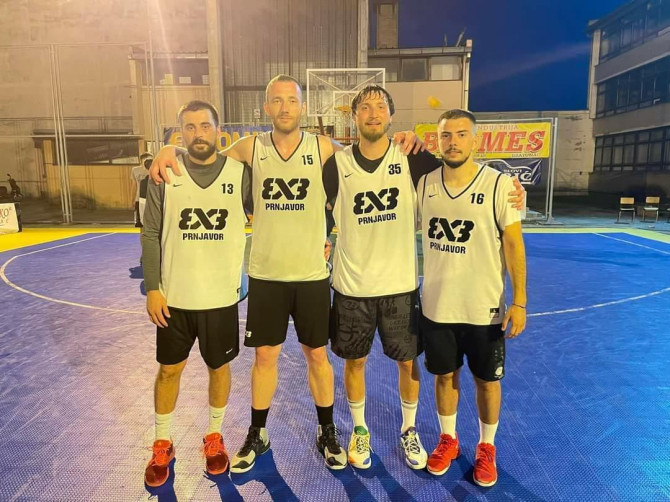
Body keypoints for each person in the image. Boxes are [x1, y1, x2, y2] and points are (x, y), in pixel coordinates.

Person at [149, 74, 423, 472]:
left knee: (317, 356)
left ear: (302, 107)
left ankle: (327, 430)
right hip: (267, 275)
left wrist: (404, 139)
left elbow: (366, 153)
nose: (284, 108)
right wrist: (168, 149)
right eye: (276, 101)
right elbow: (204, 154)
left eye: (291, 101)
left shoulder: (324, 148)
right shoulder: (251, 147)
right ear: (266, 107)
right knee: (265, 357)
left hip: (311, 275)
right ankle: (257, 433)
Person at [323, 86, 525, 471]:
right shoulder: (335, 165)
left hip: (401, 287)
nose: (372, 113)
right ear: (354, 116)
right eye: (364, 107)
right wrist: (320, 237)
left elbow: (459, 173)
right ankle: (361, 431)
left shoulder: (413, 159)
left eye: (380, 106)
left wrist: (513, 192)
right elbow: (314, 206)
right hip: (352, 286)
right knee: (355, 362)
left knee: (408, 364)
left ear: (391, 116)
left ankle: (410, 429)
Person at [141, 100, 250, 487]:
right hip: (174, 298)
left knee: (219, 368)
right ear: (180, 133)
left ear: (219, 131)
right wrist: (152, 288)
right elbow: (150, 233)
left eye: (205, 126)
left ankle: (214, 436)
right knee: (169, 370)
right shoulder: (164, 173)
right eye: (189, 127)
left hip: (220, 297)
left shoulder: (240, 174)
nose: (198, 134)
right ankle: (162, 442)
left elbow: (276, 209)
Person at [417, 109, 527, 487]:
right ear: (437, 141)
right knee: (444, 376)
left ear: (475, 140)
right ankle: (448, 439)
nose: (454, 142)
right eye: (446, 135)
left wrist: (520, 301)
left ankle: (486, 446)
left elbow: (513, 244)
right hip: (438, 305)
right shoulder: (425, 184)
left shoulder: (499, 185)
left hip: (485, 308)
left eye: (462, 134)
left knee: (486, 381)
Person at [131, 153, 153, 227]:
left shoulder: (154, 169)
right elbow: (134, 185)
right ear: (141, 160)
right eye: (146, 160)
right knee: (140, 222)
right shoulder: (135, 170)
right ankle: (142, 234)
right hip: (139, 198)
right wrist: (133, 199)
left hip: (152, 198)